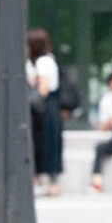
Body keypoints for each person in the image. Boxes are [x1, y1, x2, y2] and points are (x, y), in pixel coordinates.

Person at [27, 29, 64, 196]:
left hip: (44, 108)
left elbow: (43, 90)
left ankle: (47, 181)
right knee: (48, 142)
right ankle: (49, 182)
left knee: (44, 142)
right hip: (48, 107)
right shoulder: (47, 60)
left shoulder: (43, 62)